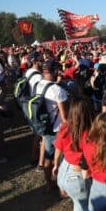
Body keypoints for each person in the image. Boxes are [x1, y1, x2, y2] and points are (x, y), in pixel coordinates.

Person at [52, 98, 96, 211]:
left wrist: (55, 165)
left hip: (64, 170)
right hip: (77, 175)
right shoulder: (88, 133)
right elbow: (89, 158)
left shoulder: (64, 127)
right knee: (89, 207)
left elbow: (58, 148)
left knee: (78, 203)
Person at [35, 59, 68, 191]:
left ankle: (49, 184)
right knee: (62, 160)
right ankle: (62, 188)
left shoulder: (38, 85)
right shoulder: (58, 90)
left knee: (48, 158)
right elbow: (64, 116)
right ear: (55, 71)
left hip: (46, 127)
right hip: (59, 129)